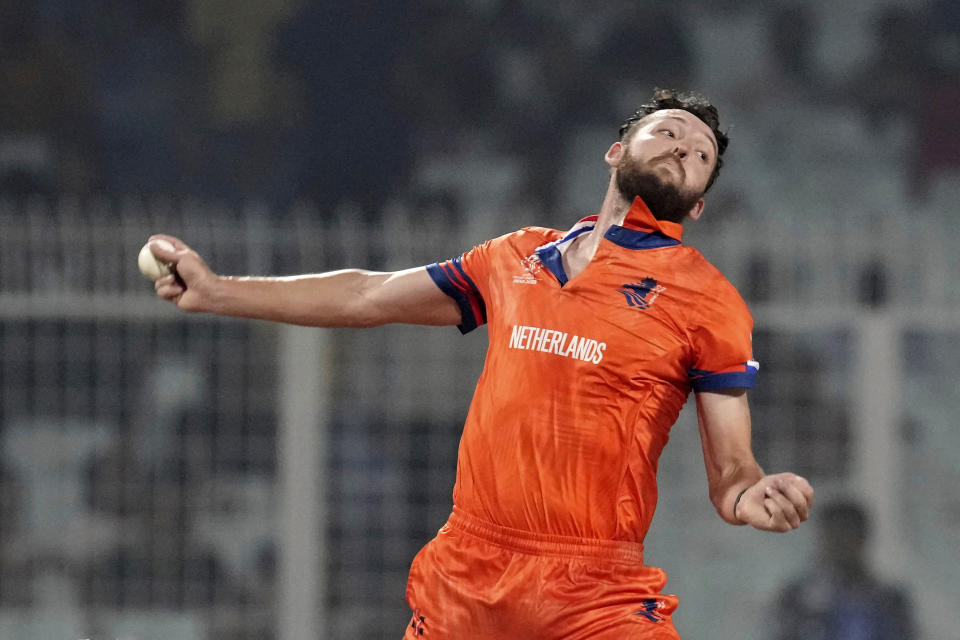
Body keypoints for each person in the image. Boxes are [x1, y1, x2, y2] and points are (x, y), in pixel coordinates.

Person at [150, 88, 815, 639]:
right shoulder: (515, 256)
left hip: (593, 593)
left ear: (697, 204)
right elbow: (368, 293)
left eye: (698, 154)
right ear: (616, 151)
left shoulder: (707, 299)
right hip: (468, 573)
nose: (681, 148)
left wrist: (747, 493)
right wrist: (217, 290)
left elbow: (732, 469)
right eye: (669, 132)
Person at [773, 500, 914, 640]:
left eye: (847, 535)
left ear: (862, 537)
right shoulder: (797, 599)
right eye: (833, 536)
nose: (841, 545)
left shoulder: (888, 600)